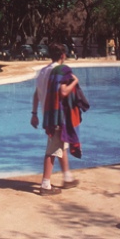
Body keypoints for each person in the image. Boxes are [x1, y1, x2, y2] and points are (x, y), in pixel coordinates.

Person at [30, 42, 86, 196]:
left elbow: (36, 93)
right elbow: (63, 93)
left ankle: (67, 178)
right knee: (53, 149)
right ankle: (45, 185)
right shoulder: (59, 71)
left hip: (47, 114)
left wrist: (34, 114)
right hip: (57, 116)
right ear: (63, 55)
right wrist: (75, 81)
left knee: (62, 145)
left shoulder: (42, 71)